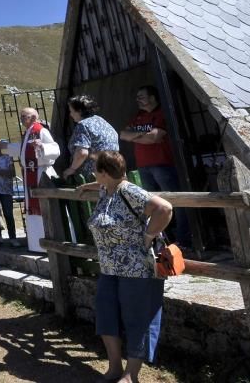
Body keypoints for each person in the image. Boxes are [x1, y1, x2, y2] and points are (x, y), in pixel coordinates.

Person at [77, 151, 173, 383]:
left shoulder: (130, 191)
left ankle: (130, 375)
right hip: (110, 268)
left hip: (137, 269)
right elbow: (103, 184)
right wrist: (87, 187)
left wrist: (149, 235)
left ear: (104, 172)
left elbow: (165, 208)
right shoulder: (106, 189)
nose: (93, 175)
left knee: (136, 319)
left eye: (96, 171)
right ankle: (114, 369)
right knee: (106, 314)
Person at [120, 85, 192, 247]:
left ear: (152, 98)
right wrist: (142, 136)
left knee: (175, 202)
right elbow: (123, 134)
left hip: (163, 164)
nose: (138, 100)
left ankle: (183, 240)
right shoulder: (138, 116)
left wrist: (135, 136)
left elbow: (154, 137)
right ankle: (162, 240)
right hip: (144, 167)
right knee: (152, 204)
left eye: (142, 96)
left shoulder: (161, 114)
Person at [18, 108, 57, 253]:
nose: (22, 119)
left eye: (25, 116)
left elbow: (55, 149)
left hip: (41, 173)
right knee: (33, 211)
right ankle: (36, 244)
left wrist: (42, 146)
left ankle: (48, 243)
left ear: (34, 117)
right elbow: (23, 152)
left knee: (44, 208)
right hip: (30, 175)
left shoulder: (41, 131)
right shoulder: (28, 132)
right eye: (21, 117)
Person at [63, 95, 120, 180]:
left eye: (71, 111)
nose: (70, 114)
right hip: (113, 171)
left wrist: (72, 169)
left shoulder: (83, 125)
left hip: (93, 175)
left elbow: (82, 153)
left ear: (79, 111)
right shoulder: (101, 121)